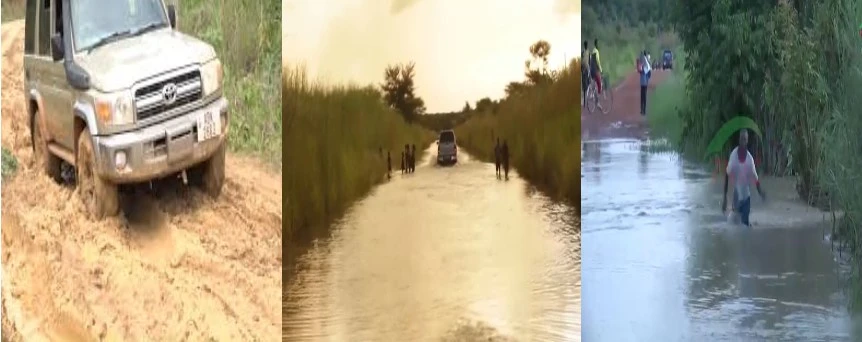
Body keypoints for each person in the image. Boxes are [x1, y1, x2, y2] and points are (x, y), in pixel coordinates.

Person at [721, 129, 767, 227]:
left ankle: (749, 224)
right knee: (734, 225)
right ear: (739, 140)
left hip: (746, 197)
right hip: (736, 195)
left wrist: (760, 192)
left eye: (745, 139)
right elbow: (727, 174)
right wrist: (725, 197)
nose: (743, 141)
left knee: (744, 227)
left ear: (747, 141)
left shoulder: (750, 160)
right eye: (742, 139)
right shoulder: (733, 156)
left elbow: (756, 179)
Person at [589, 39, 604, 108]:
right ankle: (597, 102)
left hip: (591, 70)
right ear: (596, 44)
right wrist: (601, 70)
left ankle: (592, 94)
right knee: (599, 85)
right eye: (598, 44)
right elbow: (598, 61)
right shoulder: (596, 52)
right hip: (595, 70)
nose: (599, 45)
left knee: (594, 84)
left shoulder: (592, 52)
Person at [639, 50, 652, 116]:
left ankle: (642, 109)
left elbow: (640, 71)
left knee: (642, 96)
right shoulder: (646, 63)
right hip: (645, 82)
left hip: (642, 82)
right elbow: (649, 74)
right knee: (644, 96)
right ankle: (644, 110)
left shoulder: (642, 62)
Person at [582, 40, 590, 107]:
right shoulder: (583, 52)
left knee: (588, 84)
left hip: (587, 70)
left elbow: (589, 61)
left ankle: (586, 100)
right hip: (585, 70)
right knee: (585, 86)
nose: (586, 45)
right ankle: (585, 101)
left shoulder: (587, 52)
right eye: (586, 44)